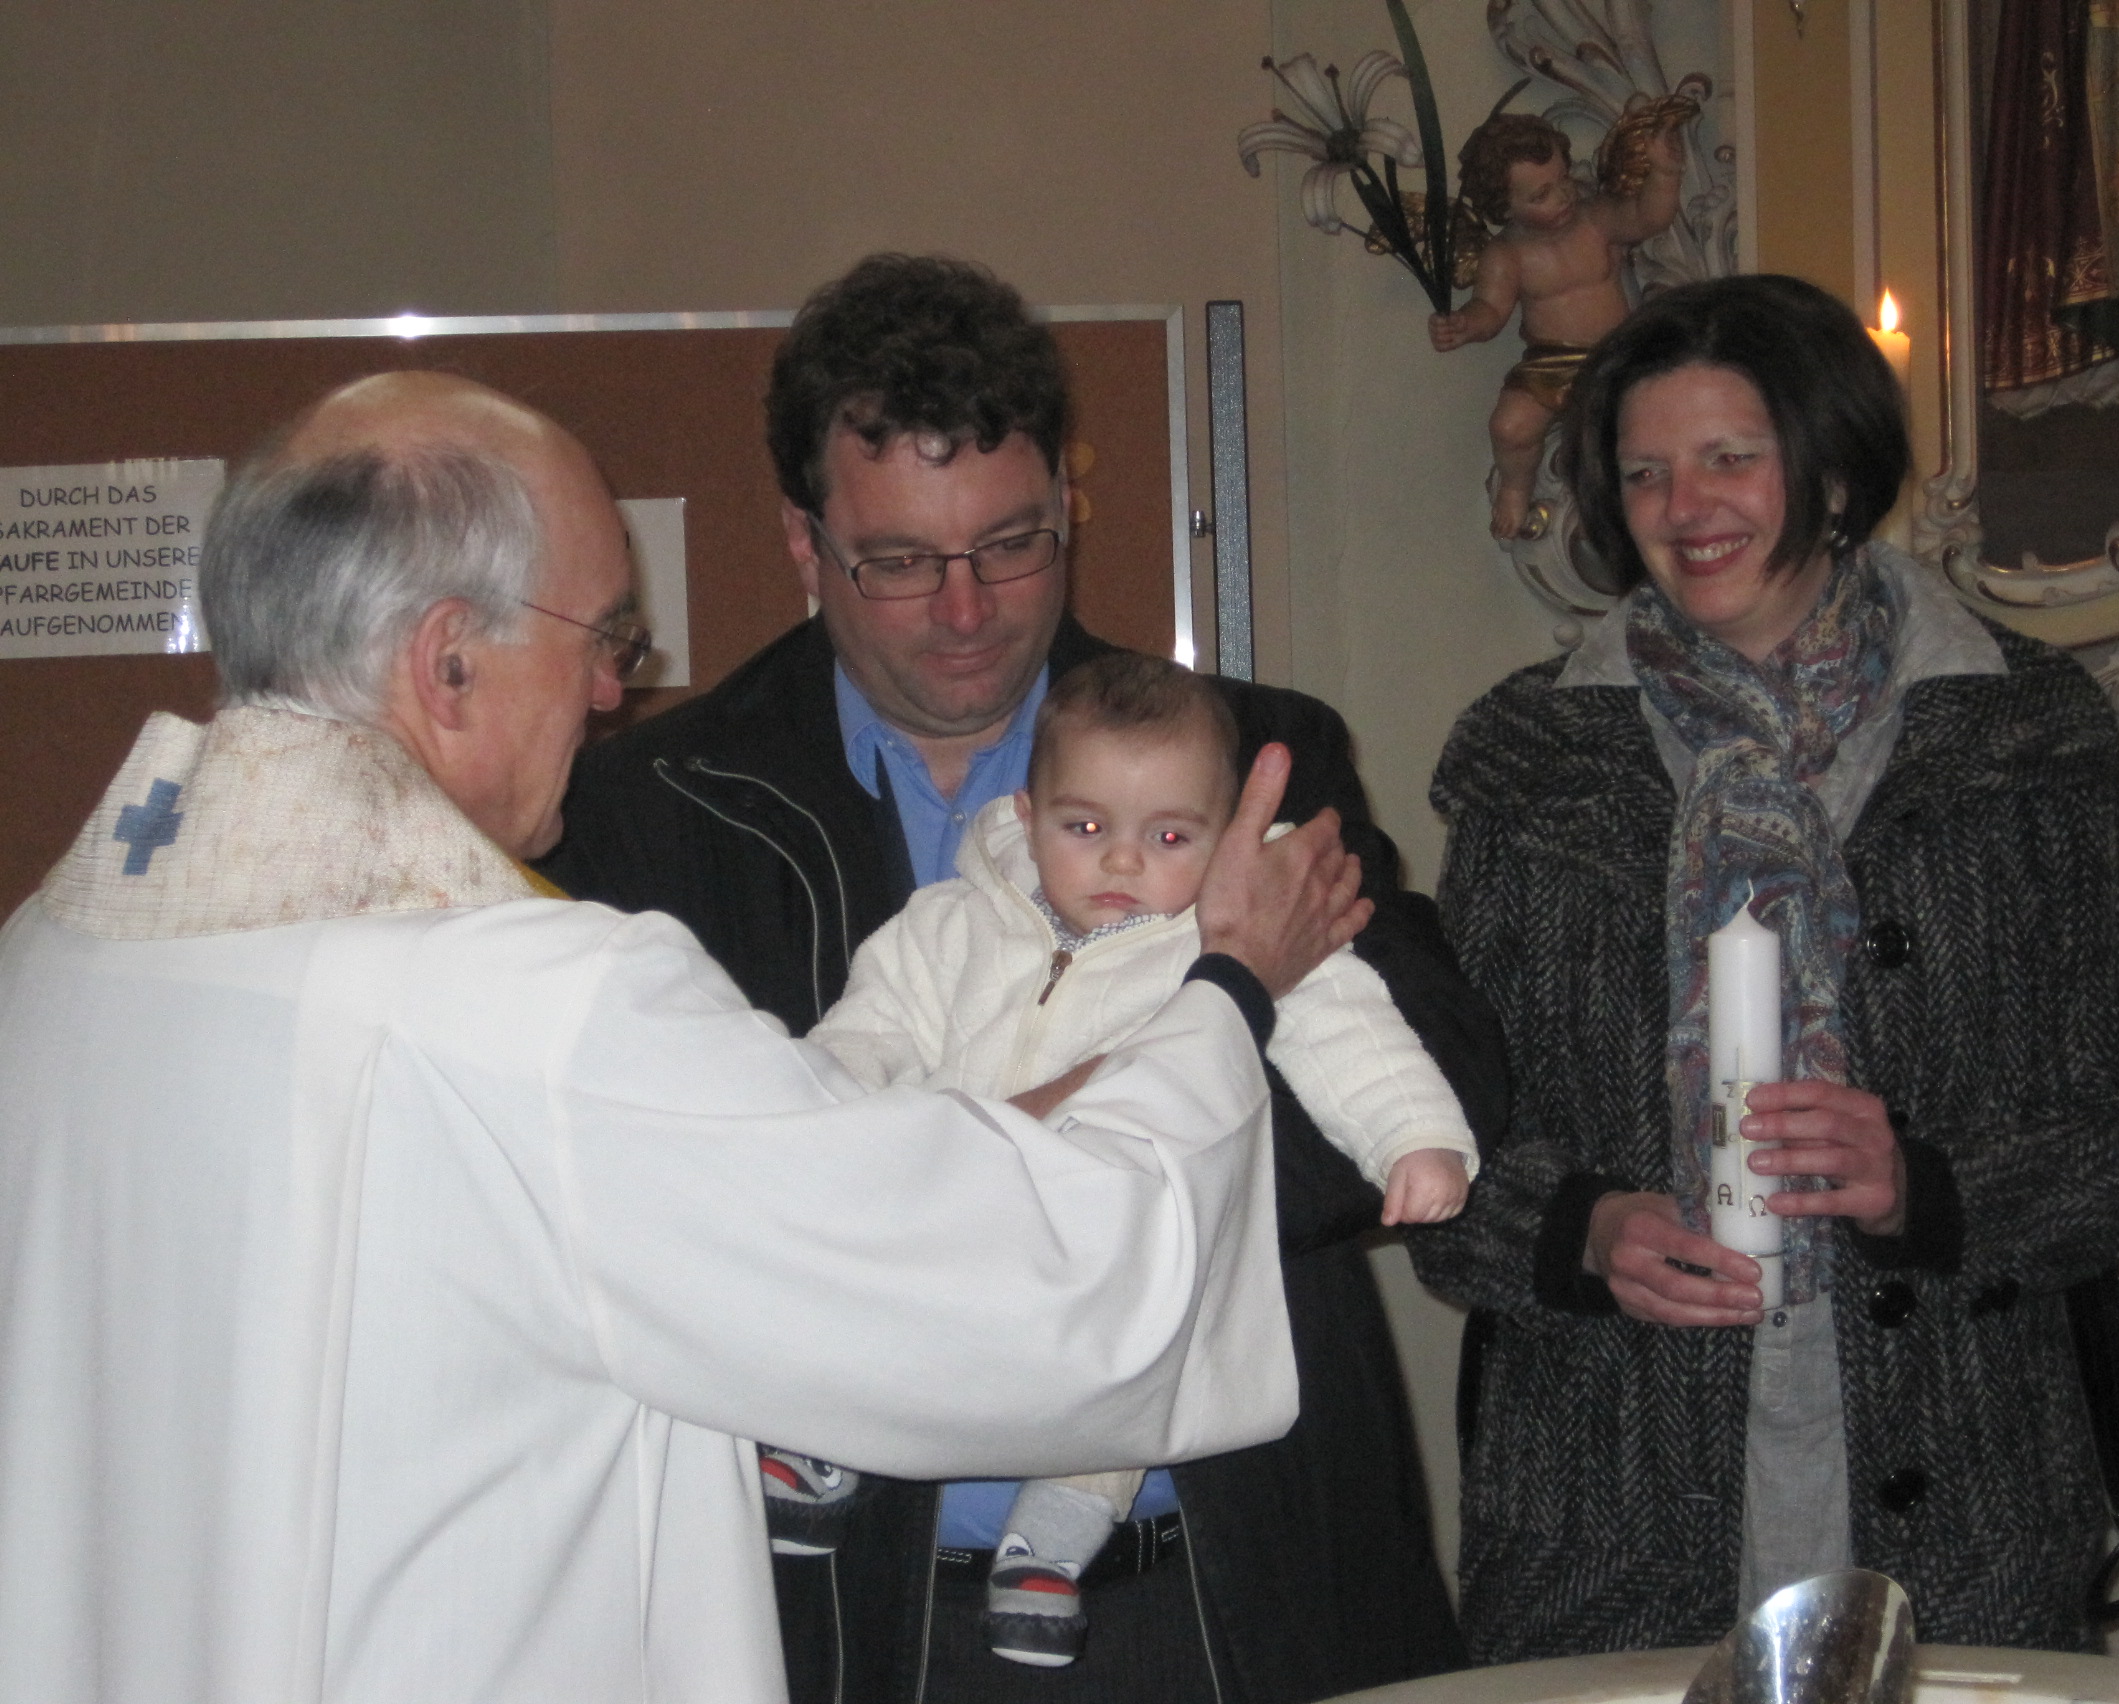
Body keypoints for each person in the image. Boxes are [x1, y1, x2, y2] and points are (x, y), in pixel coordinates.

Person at [0, 370, 1376, 1704]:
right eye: (603, 640)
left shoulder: (47, 960)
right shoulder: (537, 1012)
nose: (614, 695)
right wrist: (1229, 986)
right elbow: (1050, 1284)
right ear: (449, 662)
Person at [542, 253, 1504, 1704]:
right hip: (850, 1614)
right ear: (803, 542)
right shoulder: (659, 810)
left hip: (1221, 1586)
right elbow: (659, 1206)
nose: (966, 609)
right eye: (898, 561)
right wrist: (1105, 1124)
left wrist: (922, 1182)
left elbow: (1431, 1072)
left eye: (1012, 543)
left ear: (1070, 498)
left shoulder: (1252, 758)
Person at [1410, 274, 2119, 1660]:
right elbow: (1427, 1148)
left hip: (1965, 1505)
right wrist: (1579, 1230)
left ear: (1831, 471)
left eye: (1730, 457)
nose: (1684, 507)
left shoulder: (2022, 731)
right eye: (1644, 473)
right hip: (1609, 1507)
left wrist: (1924, 1187)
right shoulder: (1531, 754)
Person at [799, 652, 1479, 1669]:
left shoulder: (1231, 939)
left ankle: (1054, 1540)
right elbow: (865, 1033)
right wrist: (838, 1125)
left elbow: (1353, 1036)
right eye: (1084, 829)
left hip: (1126, 1260)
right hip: (955, 1232)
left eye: (1168, 838)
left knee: (1145, 1343)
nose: (1121, 862)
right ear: (1027, 816)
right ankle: (818, 1446)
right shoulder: (948, 926)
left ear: (1226, 838)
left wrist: (1414, 1139)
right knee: (875, 1296)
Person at [1428, 107, 1684, 540]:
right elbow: (1490, 310)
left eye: (1563, 179)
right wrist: (1465, 325)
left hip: (1615, 354)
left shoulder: (1596, 220)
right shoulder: (1507, 255)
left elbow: (1649, 217)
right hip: (1549, 363)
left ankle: (1645, 496)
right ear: (1504, 206)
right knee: (1510, 427)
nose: (1563, 196)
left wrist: (1665, 171)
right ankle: (1515, 488)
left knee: (1640, 426)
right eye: (1540, 195)